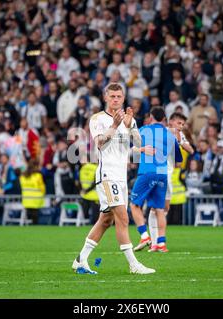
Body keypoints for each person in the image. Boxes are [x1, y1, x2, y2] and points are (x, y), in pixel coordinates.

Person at [72, 82, 155, 275]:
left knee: (106, 220)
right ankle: (133, 264)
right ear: (105, 98)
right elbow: (100, 143)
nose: (115, 100)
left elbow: (135, 143)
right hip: (107, 175)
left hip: (121, 176)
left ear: (123, 98)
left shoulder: (128, 119)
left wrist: (131, 126)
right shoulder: (98, 119)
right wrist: (116, 125)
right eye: (112, 96)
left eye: (119, 97)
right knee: (123, 218)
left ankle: (81, 259)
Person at [130, 108, 183, 253]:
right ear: (164, 118)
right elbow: (179, 159)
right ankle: (161, 243)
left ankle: (144, 236)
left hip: (147, 172)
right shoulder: (170, 134)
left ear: (151, 117)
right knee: (159, 210)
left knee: (134, 205)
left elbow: (132, 148)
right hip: (162, 174)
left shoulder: (143, 130)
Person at [19, 159, 45, 225]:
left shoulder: (23, 176)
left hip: (26, 200)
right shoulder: (38, 176)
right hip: (36, 200)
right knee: (35, 219)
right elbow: (42, 188)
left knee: (28, 218)